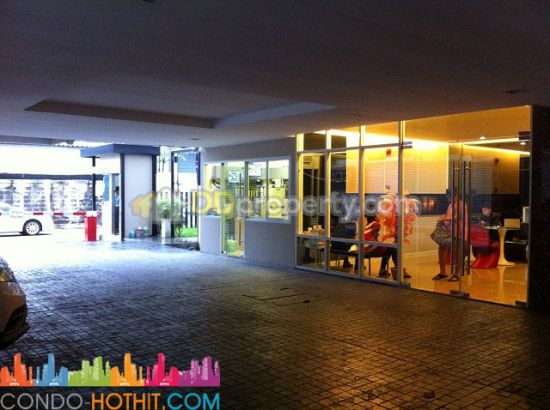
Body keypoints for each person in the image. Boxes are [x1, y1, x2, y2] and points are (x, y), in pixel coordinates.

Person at [432, 189, 468, 281]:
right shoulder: (451, 205)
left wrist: (444, 220)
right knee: (442, 248)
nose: (447, 198)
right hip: (448, 231)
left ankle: (456, 273)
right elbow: (449, 216)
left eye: (449, 196)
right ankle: (442, 272)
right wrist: (443, 219)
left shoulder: (461, 205)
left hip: (457, 232)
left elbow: (457, 218)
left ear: (455, 196)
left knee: (457, 252)